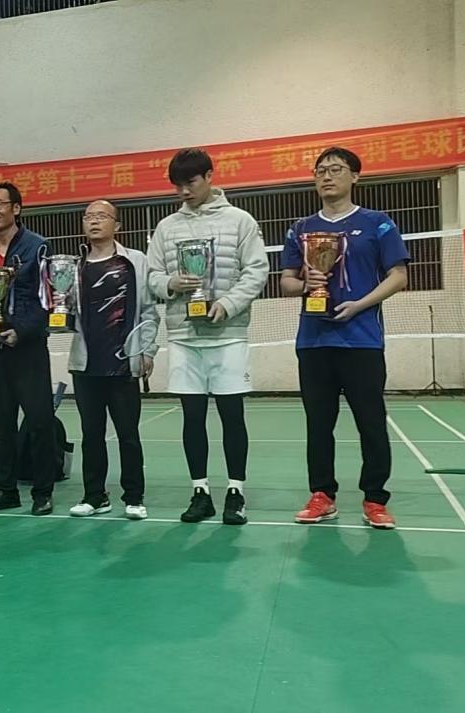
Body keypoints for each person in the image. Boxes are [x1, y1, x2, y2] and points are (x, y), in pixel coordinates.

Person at [280, 146, 410, 530]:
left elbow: (399, 276)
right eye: (320, 170)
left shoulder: (377, 223)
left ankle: (375, 499)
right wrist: (307, 283)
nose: (327, 176)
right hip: (314, 342)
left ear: (355, 176)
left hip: (362, 340)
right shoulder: (301, 229)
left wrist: (359, 305)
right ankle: (322, 495)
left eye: (336, 169)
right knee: (319, 425)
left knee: (371, 423)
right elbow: (286, 282)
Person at [147, 148, 268, 526]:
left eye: (191, 182)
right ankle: (200, 491)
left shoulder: (240, 221)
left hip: (227, 334)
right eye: (178, 186)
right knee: (192, 417)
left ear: (210, 177)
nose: (184, 191)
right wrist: (171, 283)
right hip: (183, 334)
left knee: (232, 415)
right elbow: (151, 276)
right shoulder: (166, 228)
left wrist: (228, 304)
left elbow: (256, 270)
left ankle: (235, 492)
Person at [67, 201, 159, 520]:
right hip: (86, 364)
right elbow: (67, 311)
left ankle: (134, 497)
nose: (94, 222)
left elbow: (148, 310)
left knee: (128, 435)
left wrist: (147, 350)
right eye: (89, 217)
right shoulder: (74, 267)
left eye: (101, 217)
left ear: (116, 225)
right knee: (91, 435)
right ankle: (95, 496)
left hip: (124, 362)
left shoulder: (134, 261)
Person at [0, 182, 58, 515]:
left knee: (39, 421)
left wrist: (20, 331)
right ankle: (6, 490)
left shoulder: (38, 246)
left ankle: (43, 491)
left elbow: (47, 299)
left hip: (27, 348)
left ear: (16, 208)